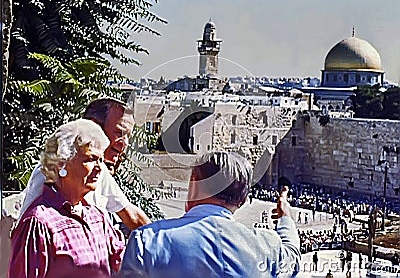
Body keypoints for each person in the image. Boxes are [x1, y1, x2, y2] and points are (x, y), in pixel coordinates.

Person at [118, 151, 301, 278]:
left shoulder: (148, 240)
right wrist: (285, 217)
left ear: (194, 183)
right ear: (243, 200)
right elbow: (292, 257)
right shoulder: (267, 246)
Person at [9, 119, 125, 277]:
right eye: (90, 159)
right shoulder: (38, 223)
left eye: (100, 160)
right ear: (61, 164)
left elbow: (125, 262)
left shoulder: (96, 217)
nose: (99, 168)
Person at [18, 98, 151, 230]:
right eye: (119, 132)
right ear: (93, 127)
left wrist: (160, 240)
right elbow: (27, 231)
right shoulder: (49, 172)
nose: (125, 143)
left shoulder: (98, 171)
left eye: (128, 136)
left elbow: (131, 215)